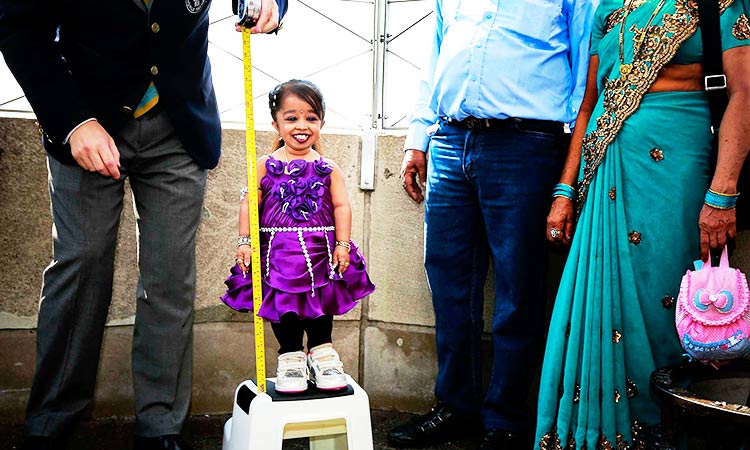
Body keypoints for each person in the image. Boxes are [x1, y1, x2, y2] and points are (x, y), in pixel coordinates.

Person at [0, 1, 286, 449]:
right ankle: (50, 424)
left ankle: (160, 428)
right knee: (81, 263)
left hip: (178, 125)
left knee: (170, 276)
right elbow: (19, 28)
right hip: (84, 116)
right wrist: (74, 123)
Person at [535, 0, 750, 447]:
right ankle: (598, 434)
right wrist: (564, 189)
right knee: (598, 299)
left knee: (664, 300)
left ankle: (664, 430)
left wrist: (723, 192)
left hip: (677, 171)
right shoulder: (608, 9)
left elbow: (744, 93)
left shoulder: (718, 3)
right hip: (607, 171)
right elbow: (590, 103)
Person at [387, 1, 599, 449]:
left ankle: (506, 420)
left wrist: (569, 173)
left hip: (527, 143)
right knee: (448, 283)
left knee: (518, 288)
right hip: (449, 140)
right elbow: (435, 62)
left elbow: (586, 76)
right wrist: (417, 139)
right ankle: (456, 407)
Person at [220, 79, 376, 394]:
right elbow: (249, 204)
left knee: (321, 303)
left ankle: (322, 353)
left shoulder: (328, 167)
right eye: (291, 118)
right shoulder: (264, 165)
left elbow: (342, 206)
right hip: (278, 255)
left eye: (311, 117)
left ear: (321, 122)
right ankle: (290, 356)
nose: (301, 125)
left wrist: (343, 246)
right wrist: (245, 243)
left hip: (321, 252)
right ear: (276, 123)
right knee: (284, 305)